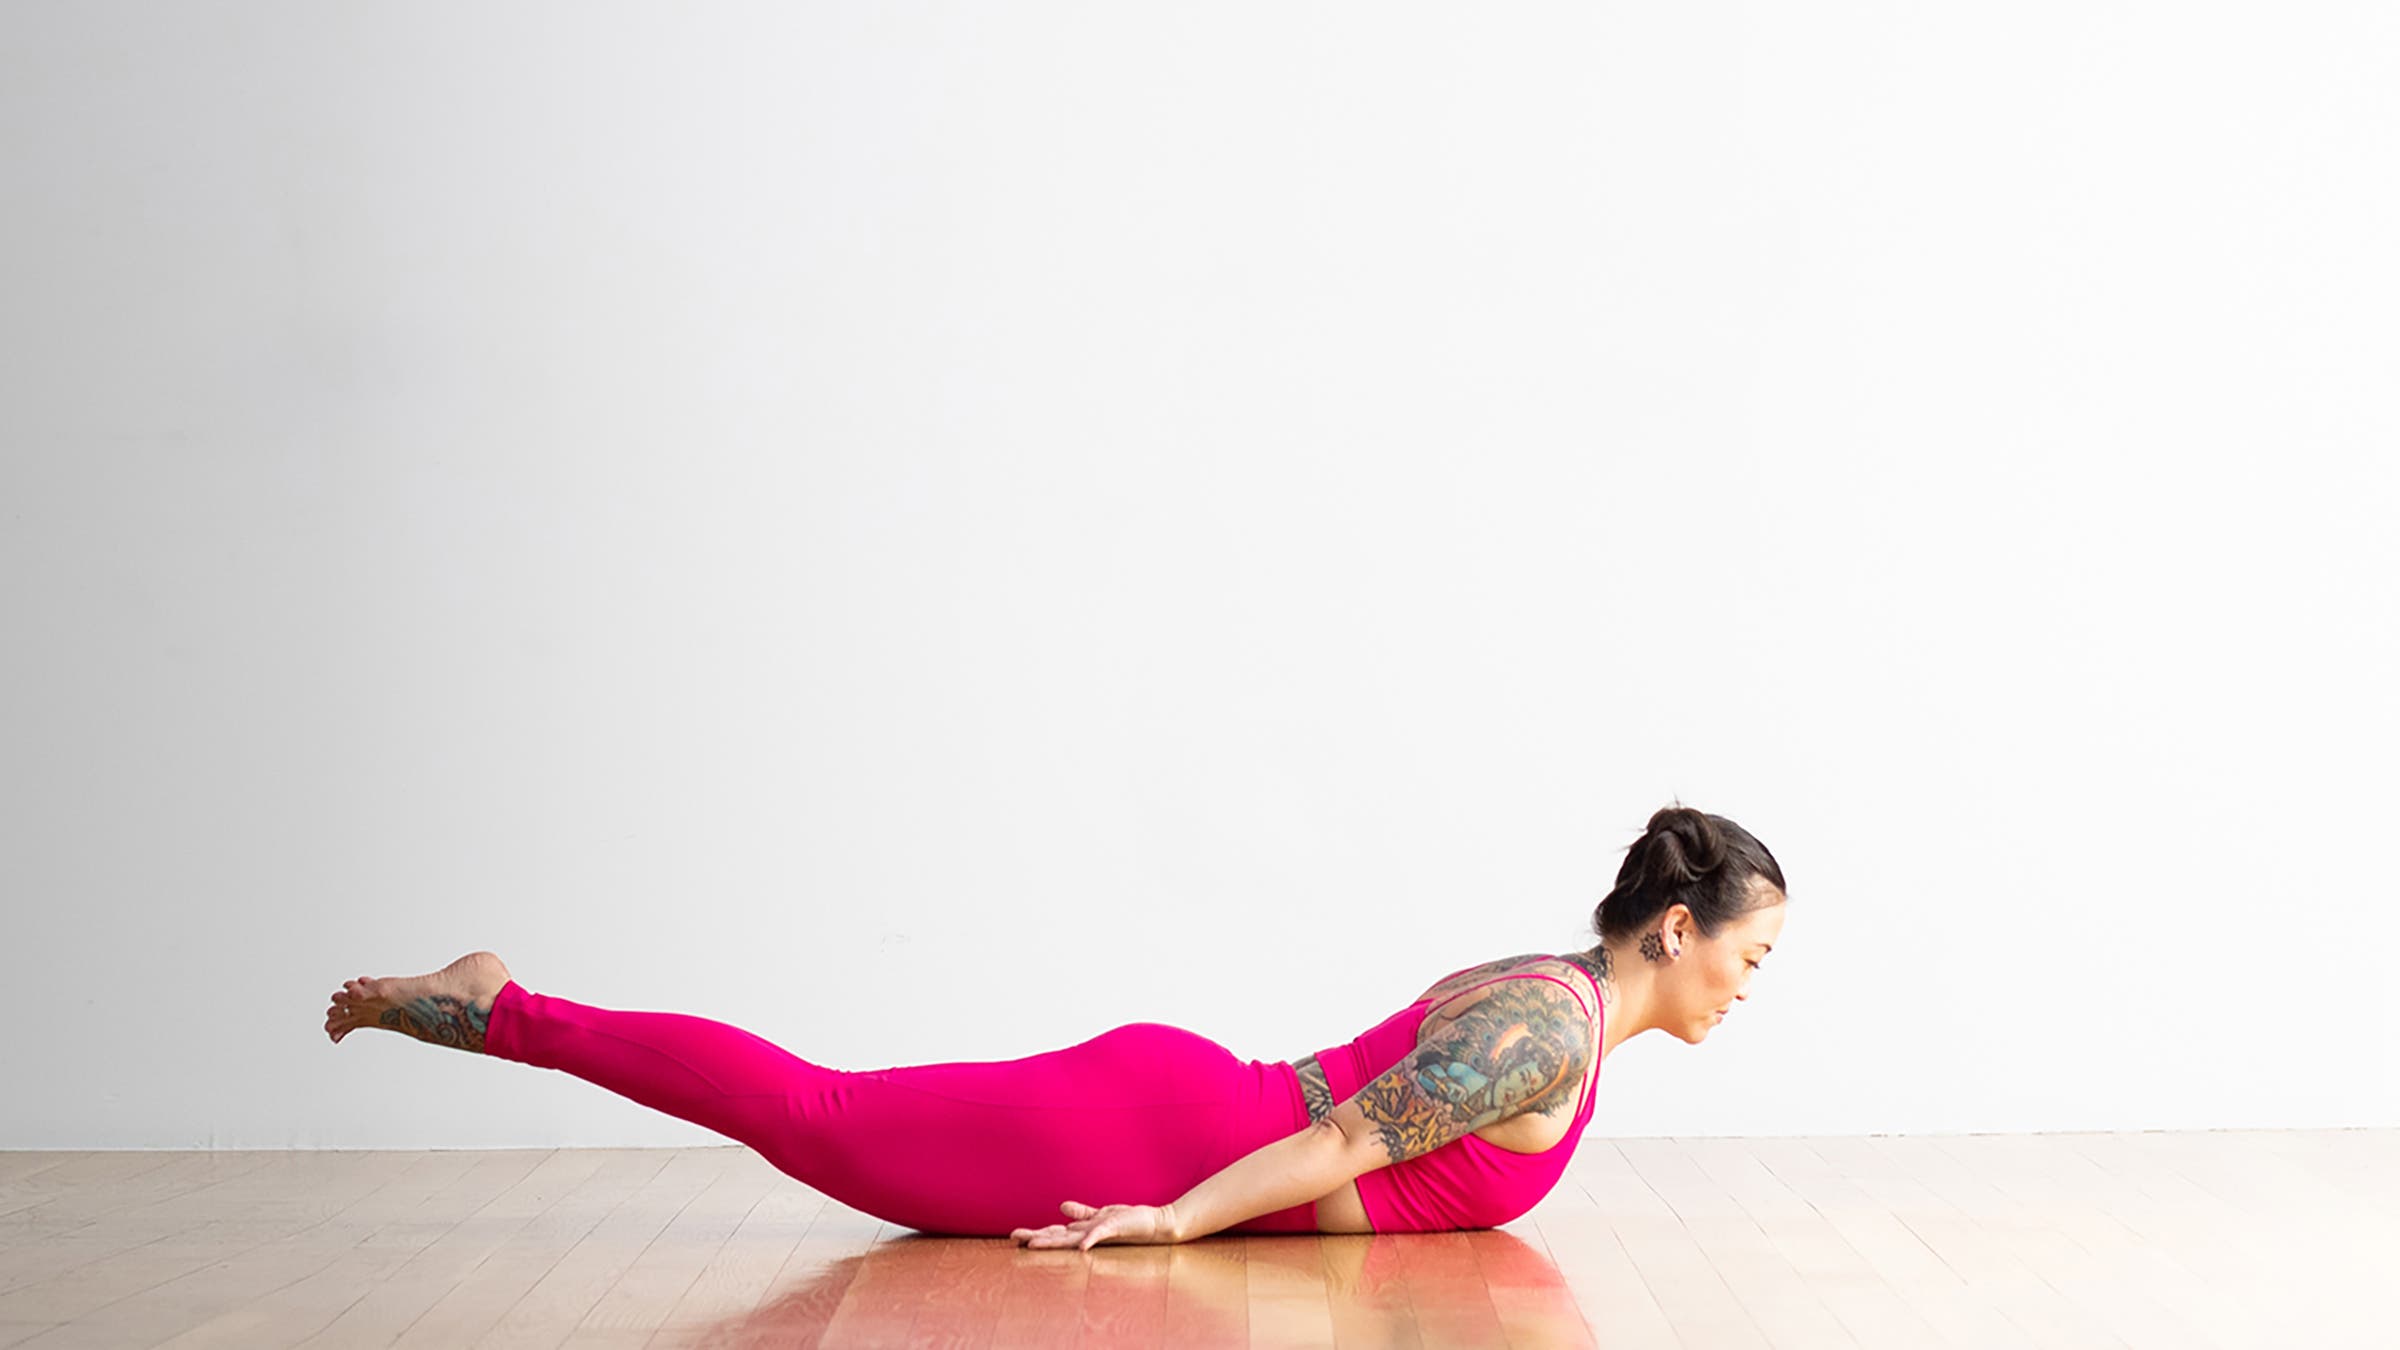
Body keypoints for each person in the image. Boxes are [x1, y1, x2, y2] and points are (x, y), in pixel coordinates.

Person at [322, 803, 1786, 1248]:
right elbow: (1348, 1136)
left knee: (830, 1123)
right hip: (1162, 1132)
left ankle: (508, 1007)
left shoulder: (1549, 990)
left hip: (1186, 1114)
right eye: (1750, 952)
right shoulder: (1548, 1027)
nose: (1747, 983)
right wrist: (1173, 1220)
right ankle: (502, 1007)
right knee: (815, 1114)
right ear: (1676, 928)